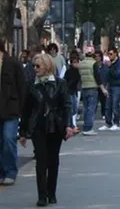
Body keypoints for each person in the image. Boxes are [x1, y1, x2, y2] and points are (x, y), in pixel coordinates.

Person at [18, 54, 74, 207]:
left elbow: (66, 106)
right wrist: (23, 133)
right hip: (38, 127)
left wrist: (68, 125)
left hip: (56, 126)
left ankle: (51, 192)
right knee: (41, 161)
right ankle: (42, 195)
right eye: (33, 66)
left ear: (47, 66)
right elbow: (26, 110)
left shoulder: (60, 83)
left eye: (38, 66)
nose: (34, 69)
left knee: (53, 160)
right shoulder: (31, 85)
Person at [0, 43, 26, 186]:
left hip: (10, 109)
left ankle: (10, 172)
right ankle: (2, 172)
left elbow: (22, 86)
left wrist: (22, 110)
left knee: (8, 139)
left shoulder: (12, 63)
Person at [99, 48, 120, 131]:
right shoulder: (109, 64)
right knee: (108, 105)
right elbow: (106, 74)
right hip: (110, 85)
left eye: (111, 54)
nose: (109, 56)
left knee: (115, 105)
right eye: (108, 54)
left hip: (117, 86)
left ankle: (116, 123)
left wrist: (110, 67)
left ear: (115, 54)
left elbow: (117, 74)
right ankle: (108, 123)